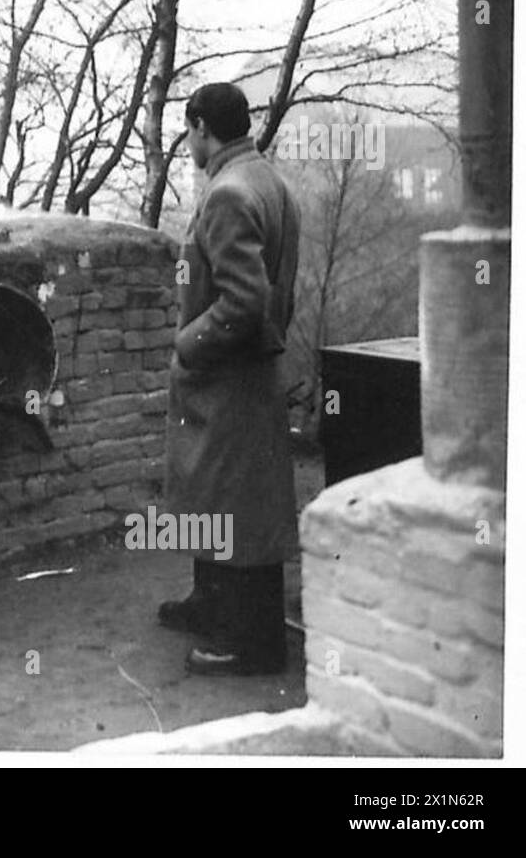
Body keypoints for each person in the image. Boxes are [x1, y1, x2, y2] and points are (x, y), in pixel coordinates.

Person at [161, 82, 301, 676]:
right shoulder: (266, 179)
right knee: (223, 495)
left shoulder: (227, 193)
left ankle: (250, 641)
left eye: (187, 131)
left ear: (199, 126)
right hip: (251, 370)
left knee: (235, 501)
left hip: (227, 372)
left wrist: (188, 345)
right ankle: (211, 602)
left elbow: (244, 301)